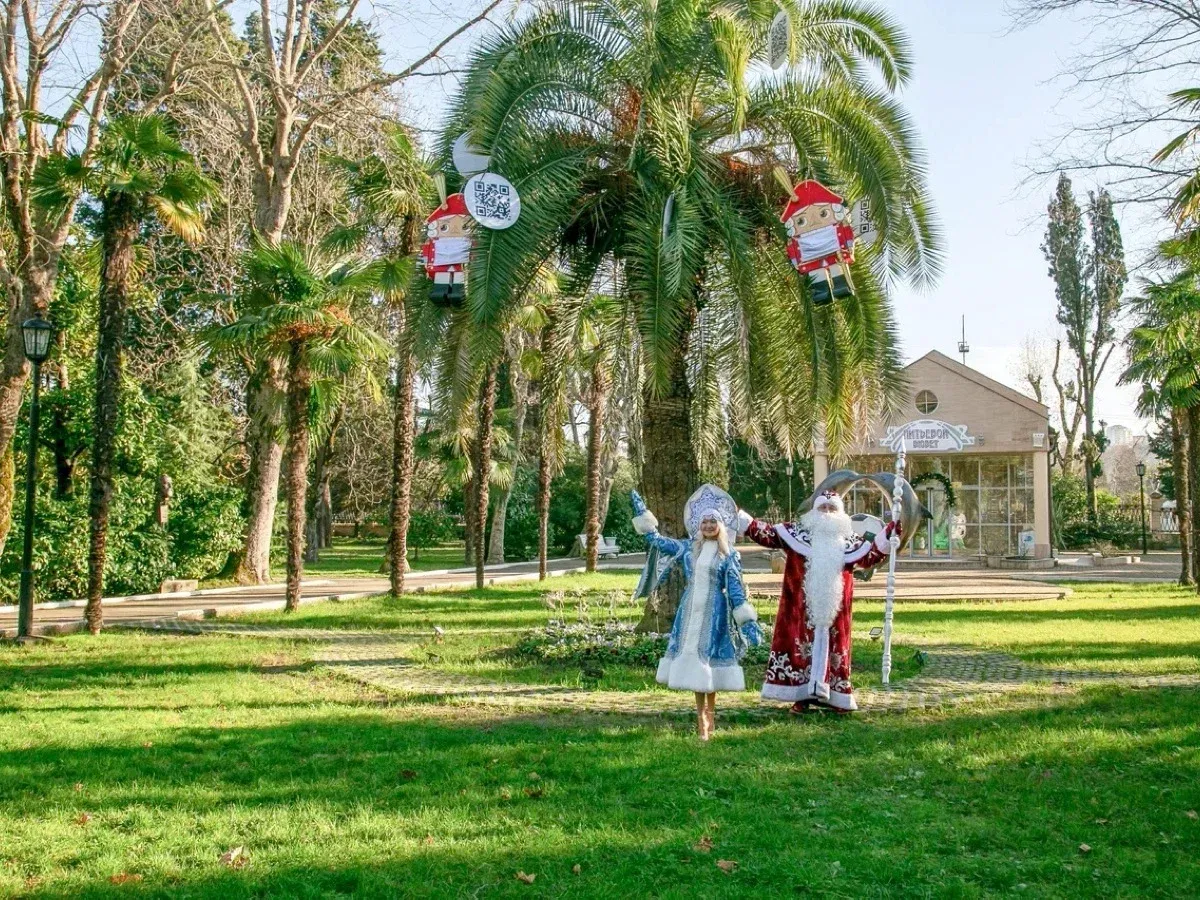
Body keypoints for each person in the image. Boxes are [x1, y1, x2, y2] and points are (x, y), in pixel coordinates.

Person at [738, 489, 898, 713]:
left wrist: (891, 531)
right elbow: (766, 534)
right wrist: (741, 518)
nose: (827, 513)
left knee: (836, 653)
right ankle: (800, 697)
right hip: (799, 610)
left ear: (841, 514)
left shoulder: (850, 541)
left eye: (832, 508)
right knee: (799, 651)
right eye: (822, 507)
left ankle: (837, 698)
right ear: (814, 511)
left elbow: (870, 556)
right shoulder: (795, 534)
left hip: (836, 611)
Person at [632, 485, 763, 741]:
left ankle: (709, 720)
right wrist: (645, 519)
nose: (708, 525)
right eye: (704, 521)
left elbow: (736, 590)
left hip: (715, 615)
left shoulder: (729, 555)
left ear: (722, 525)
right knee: (693, 664)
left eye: (713, 521)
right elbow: (658, 542)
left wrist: (747, 621)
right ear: (698, 525)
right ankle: (700, 722)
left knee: (709, 665)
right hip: (690, 611)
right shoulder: (688, 549)